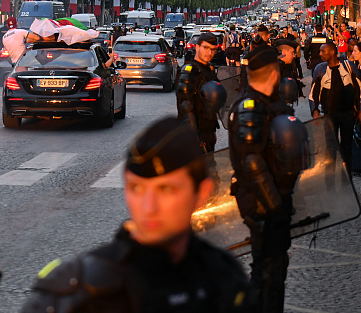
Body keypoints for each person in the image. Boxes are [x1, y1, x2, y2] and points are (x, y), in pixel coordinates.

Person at [23, 117, 254, 312]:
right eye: (137, 188)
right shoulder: (76, 292)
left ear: (202, 192)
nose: (148, 207)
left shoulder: (225, 277)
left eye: (166, 189)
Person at [226, 44, 302, 313]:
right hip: (262, 206)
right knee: (267, 273)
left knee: (273, 270)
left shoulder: (263, 104)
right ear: (273, 74)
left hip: (269, 203)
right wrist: (275, 208)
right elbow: (252, 164)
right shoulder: (252, 108)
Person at [310, 41, 360, 162]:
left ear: (332, 52)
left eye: (323, 51)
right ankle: (331, 176)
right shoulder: (320, 69)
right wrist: (315, 110)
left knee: (347, 147)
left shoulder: (348, 67)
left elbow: (359, 89)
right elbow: (313, 93)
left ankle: (347, 175)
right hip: (329, 115)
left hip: (348, 114)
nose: (320, 54)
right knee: (330, 147)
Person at [176, 32, 224, 153]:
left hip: (208, 132)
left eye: (213, 49)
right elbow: (185, 107)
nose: (209, 53)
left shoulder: (208, 70)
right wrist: (195, 139)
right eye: (206, 48)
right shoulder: (190, 71)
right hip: (195, 136)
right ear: (197, 47)